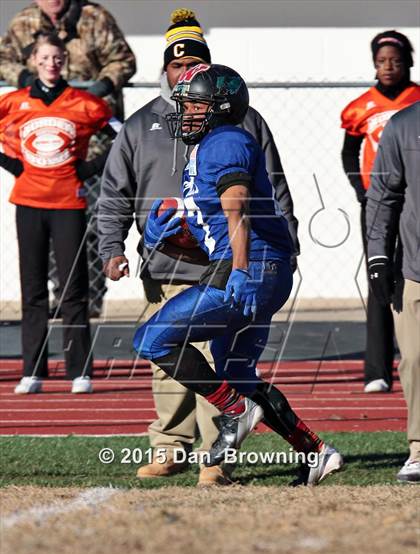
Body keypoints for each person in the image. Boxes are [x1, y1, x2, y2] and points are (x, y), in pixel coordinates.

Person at [98, 9, 299, 486]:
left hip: (230, 259)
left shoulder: (242, 122)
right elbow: (114, 192)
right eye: (175, 65)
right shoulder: (141, 124)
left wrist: (284, 240)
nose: (184, 72)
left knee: (223, 360)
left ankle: (218, 459)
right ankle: (169, 447)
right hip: (170, 260)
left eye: (194, 64)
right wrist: (113, 246)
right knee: (168, 362)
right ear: (164, 70)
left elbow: (271, 185)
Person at [130, 63, 343, 485]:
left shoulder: (226, 140)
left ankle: (234, 410)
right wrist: (165, 240)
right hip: (255, 266)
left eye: (193, 104)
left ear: (219, 107)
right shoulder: (208, 145)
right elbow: (211, 239)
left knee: (151, 339)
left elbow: (237, 206)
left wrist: (242, 271)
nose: (185, 112)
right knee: (238, 375)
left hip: (252, 267)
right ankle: (317, 452)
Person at [0, 0, 136, 317]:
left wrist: (101, 86)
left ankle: (88, 297)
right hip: (45, 148)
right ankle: (60, 292)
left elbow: (123, 60)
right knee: (46, 228)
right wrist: (24, 79)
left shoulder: (94, 17)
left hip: (95, 140)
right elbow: (3, 59)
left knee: (94, 221)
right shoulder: (23, 22)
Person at [0, 33, 118, 395]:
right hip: (29, 202)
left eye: (58, 58)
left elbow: (121, 138)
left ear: (64, 61)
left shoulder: (85, 103)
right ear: (34, 60)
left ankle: (79, 370)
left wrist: (89, 169)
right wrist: (14, 166)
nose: (52, 63)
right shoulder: (15, 102)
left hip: (69, 202)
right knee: (33, 288)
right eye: (45, 57)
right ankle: (32, 371)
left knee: (73, 288)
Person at [340, 30, 420, 393]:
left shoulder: (416, 99)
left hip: (413, 201)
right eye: (381, 60)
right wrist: (362, 192)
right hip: (379, 201)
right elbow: (348, 154)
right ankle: (377, 369)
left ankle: (410, 359)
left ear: (409, 62)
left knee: (411, 279)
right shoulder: (361, 106)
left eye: (395, 59)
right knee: (380, 276)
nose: (388, 66)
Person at [366, 101, 420, 483]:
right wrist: (379, 256)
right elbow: (384, 195)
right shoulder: (403, 124)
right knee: (416, 360)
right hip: (415, 267)